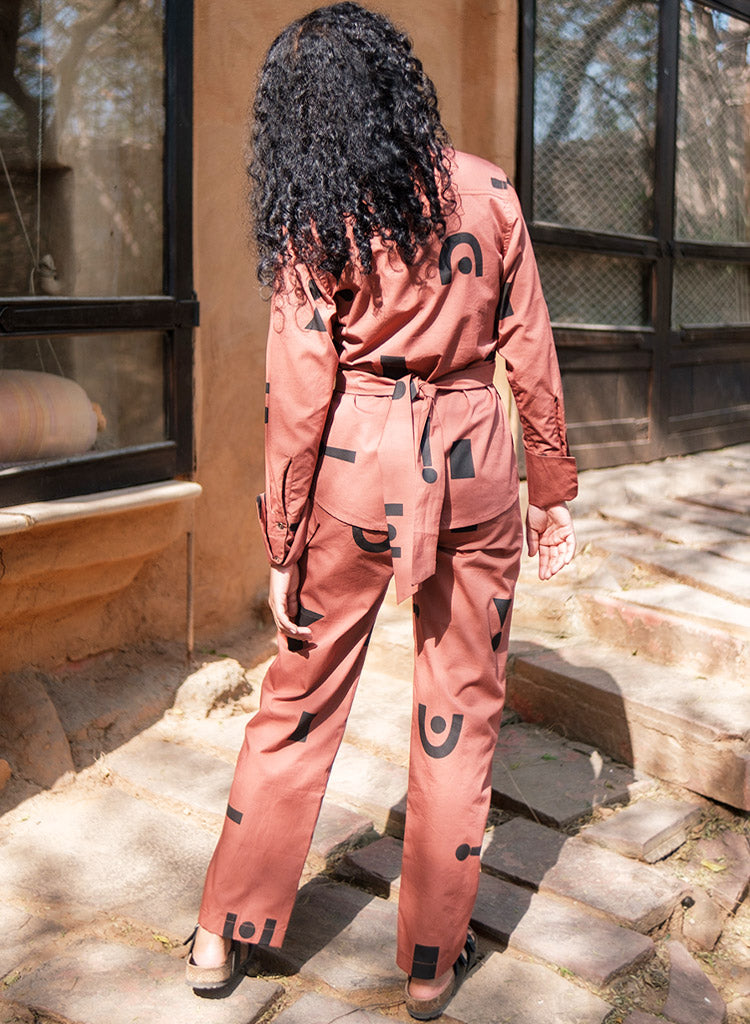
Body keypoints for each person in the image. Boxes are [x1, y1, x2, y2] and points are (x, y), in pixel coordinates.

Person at [185, 3, 577, 1019]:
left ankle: (223, 929)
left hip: (356, 473)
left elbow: (296, 395)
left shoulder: (322, 211)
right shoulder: (490, 189)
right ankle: (431, 960)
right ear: (399, 87)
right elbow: (531, 353)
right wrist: (550, 492)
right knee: (461, 708)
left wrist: (282, 542)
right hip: (476, 467)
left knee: (300, 692)